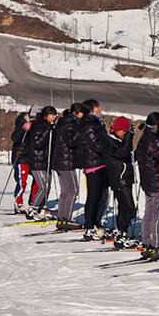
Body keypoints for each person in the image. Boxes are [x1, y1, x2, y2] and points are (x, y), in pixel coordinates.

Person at [76, 99, 110, 240]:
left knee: (102, 196)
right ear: (93, 109)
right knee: (94, 196)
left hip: (100, 162)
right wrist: (108, 148)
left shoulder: (95, 123)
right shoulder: (89, 124)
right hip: (93, 164)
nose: (100, 109)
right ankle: (89, 225)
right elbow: (95, 143)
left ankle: (96, 223)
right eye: (98, 107)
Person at [135, 112, 159, 260]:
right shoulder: (154, 139)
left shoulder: (145, 136)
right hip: (156, 181)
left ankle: (147, 241)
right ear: (157, 125)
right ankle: (154, 244)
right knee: (158, 213)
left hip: (148, 180)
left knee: (149, 212)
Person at [51, 104, 86, 230]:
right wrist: (81, 134)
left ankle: (62, 217)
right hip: (66, 162)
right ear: (77, 113)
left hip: (61, 161)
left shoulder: (64, 122)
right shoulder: (71, 124)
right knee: (72, 190)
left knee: (66, 191)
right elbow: (71, 141)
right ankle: (66, 218)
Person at [22, 106, 58, 220]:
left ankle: (39, 208)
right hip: (37, 161)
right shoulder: (39, 126)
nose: (54, 117)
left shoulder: (48, 126)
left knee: (46, 187)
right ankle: (33, 208)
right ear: (46, 115)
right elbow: (38, 143)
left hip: (45, 160)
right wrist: (48, 131)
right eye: (52, 115)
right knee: (43, 186)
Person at [106, 116, 137, 248]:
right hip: (119, 178)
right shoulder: (110, 141)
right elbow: (122, 153)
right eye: (123, 131)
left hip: (125, 177)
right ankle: (121, 232)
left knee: (125, 207)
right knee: (128, 207)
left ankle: (122, 232)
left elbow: (127, 151)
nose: (124, 134)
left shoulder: (120, 140)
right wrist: (129, 137)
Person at [10, 111, 33, 215]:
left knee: (38, 180)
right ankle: (18, 202)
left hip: (31, 158)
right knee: (21, 181)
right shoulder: (19, 130)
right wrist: (23, 128)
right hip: (21, 158)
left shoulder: (32, 129)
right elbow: (15, 138)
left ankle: (33, 203)